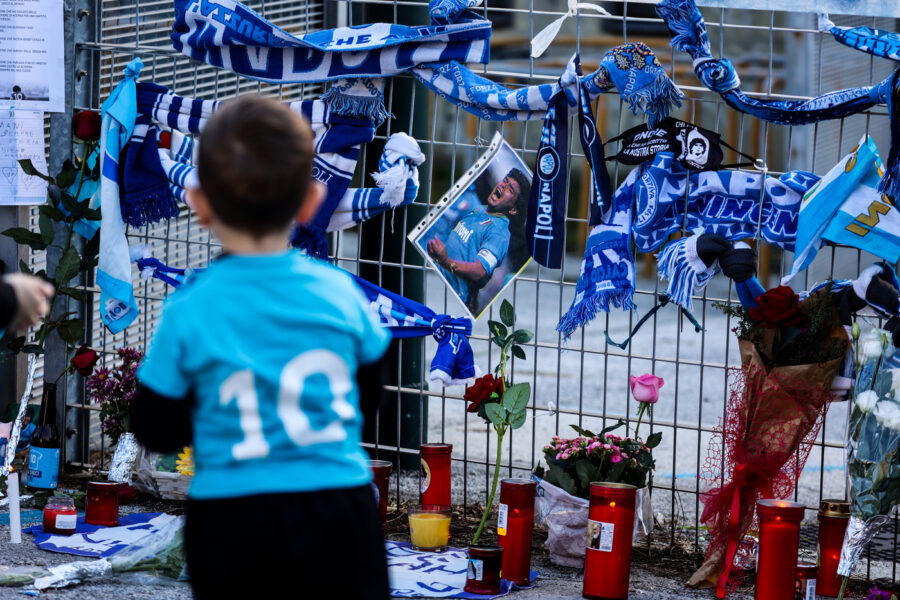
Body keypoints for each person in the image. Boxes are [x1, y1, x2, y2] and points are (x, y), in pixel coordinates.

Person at [130, 95, 391, 599]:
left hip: (232, 516)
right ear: (313, 201)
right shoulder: (339, 294)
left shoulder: (192, 307)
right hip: (340, 513)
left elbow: (153, 426)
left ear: (199, 203)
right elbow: (372, 394)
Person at [426, 168, 529, 314]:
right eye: (505, 181)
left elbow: (479, 271)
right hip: (437, 281)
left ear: (513, 210)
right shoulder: (480, 210)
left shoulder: (499, 233)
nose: (503, 186)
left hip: (455, 298)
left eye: (510, 189)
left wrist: (444, 261)